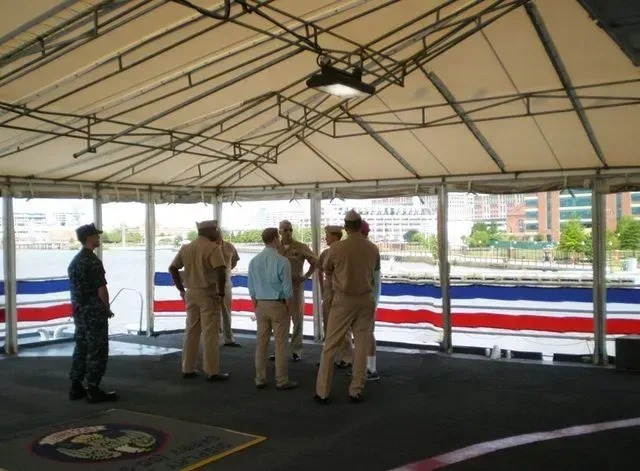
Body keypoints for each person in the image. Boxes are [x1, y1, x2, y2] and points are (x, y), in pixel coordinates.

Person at [314, 210, 380, 404]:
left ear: (345, 228)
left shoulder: (336, 249)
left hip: (343, 300)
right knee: (361, 345)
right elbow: (375, 273)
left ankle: (322, 391)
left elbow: (327, 271)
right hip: (366, 300)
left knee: (330, 345)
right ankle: (356, 389)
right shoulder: (373, 248)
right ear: (360, 226)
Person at [169, 220, 229, 382]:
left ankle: (187, 368)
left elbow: (173, 268)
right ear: (209, 231)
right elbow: (220, 271)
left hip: (191, 293)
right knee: (210, 333)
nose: (217, 232)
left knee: (191, 330)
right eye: (215, 229)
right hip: (208, 293)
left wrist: (181, 289)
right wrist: (221, 292)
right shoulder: (212, 248)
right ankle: (212, 371)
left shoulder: (186, 248)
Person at [68, 223, 117, 404]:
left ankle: (76, 386)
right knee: (97, 350)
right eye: (96, 236)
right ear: (89, 238)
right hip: (94, 312)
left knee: (81, 348)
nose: (99, 238)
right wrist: (106, 308)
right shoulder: (92, 261)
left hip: (80, 312)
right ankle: (93, 389)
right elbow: (101, 290)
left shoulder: (75, 261)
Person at [248, 228, 298, 390]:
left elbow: (251, 289)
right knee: (280, 343)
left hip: (260, 304)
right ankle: (282, 380)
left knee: (261, 343)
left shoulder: (254, 261)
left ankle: (259, 378)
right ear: (276, 239)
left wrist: (256, 306)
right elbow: (288, 290)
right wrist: (289, 310)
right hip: (278, 305)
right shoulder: (282, 261)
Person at [272, 219, 317, 362]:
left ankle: (296, 350)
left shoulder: (300, 246)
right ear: (279, 231)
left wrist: (305, 277)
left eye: (290, 229)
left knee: (297, 319)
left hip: (295, 288)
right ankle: (280, 350)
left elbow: (315, 262)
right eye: (285, 229)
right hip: (277, 290)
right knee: (279, 320)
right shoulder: (274, 248)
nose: (289, 232)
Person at [317, 225, 352, 369]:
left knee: (344, 327)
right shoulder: (325, 253)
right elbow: (319, 269)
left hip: (340, 293)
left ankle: (347, 357)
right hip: (328, 293)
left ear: (336, 236)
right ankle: (329, 357)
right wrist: (322, 288)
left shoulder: (346, 252)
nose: (326, 237)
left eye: (328, 235)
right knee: (328, 326)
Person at [218, 232, 241, 347]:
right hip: (210, 284)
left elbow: (235, 260)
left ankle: (228, 338)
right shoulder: (207, 248)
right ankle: (215, 337)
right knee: (211, 312)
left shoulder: (229, 246)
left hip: (226, 283)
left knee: (226, 311)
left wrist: (226, 271)